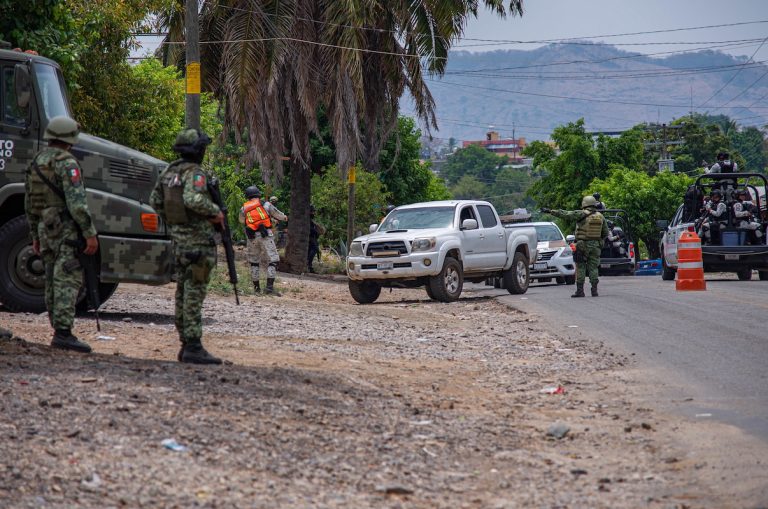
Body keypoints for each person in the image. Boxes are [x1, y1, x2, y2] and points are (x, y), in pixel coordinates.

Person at [24, 116, 99, 353]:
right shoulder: (68, 163)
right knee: (67, 277)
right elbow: (77, 203)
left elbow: (29, 202)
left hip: (45, 230)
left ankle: (58, 327)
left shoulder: (37, 161)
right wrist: (89, 233)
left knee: (50, 278)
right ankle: (63, 333)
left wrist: (35, 234)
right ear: (69, 139)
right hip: (66, 229)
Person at [149, 129, 223, 365]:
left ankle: (186, 342)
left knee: (182, 291)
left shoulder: (170, 171)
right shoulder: (195, 173)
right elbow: (194, 199)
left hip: (178, 242)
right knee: (194, 293)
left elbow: (155, 201)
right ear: (198, 150)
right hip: (198, 244)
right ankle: (193, 345)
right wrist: (215, 214)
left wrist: (175, 223)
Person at [542, 196, 609, 297]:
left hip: (582, 245)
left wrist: (551, 211)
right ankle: (594, 290)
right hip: (596, 246)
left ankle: (580, 291)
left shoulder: (581, 214)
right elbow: (605, 233)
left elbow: (566, 214)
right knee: (593, 268)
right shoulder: (600, 216)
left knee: (581, 266)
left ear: (584, 204)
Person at [238, 186, 287, 295]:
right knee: (273, 259)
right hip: (266, 235)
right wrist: (285, 218)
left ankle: (256, 289)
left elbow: (242, 220)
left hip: (251, 236)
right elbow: (278, 214)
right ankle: (269, 288)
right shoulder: (266, 204)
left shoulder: (244, 208)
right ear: (258, 195)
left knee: (254, 262)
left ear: (248, 196)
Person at [307, 205, 326, 273]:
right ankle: (308, 265)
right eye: (313, 212)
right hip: (310, 238)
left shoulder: (311, 220)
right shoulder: (307, 219)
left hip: (312, 238)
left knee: (312, 251)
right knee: (315, 249)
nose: (314, 213)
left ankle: (309, 266)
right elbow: (310, 229)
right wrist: (316, 232)